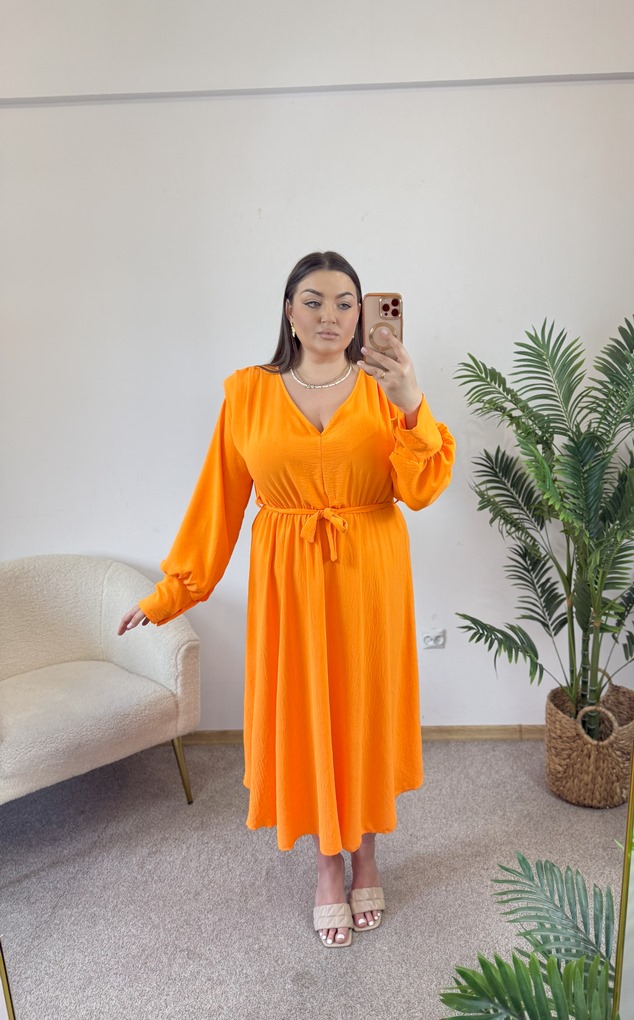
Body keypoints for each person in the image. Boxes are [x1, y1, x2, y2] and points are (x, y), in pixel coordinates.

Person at [118, 251, 455, 948]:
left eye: (345, 303)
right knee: (306, 716)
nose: (330, 315)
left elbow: (421, 490)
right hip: (288, 585)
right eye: (314, 300)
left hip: (370, 575)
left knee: (361, 713)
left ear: (363, 315)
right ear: (289, 311)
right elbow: (217, 504)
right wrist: (171, 593)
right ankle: (328, 863)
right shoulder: (247, 392)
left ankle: (366, 852)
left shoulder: (386, 389)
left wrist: (411, 403)